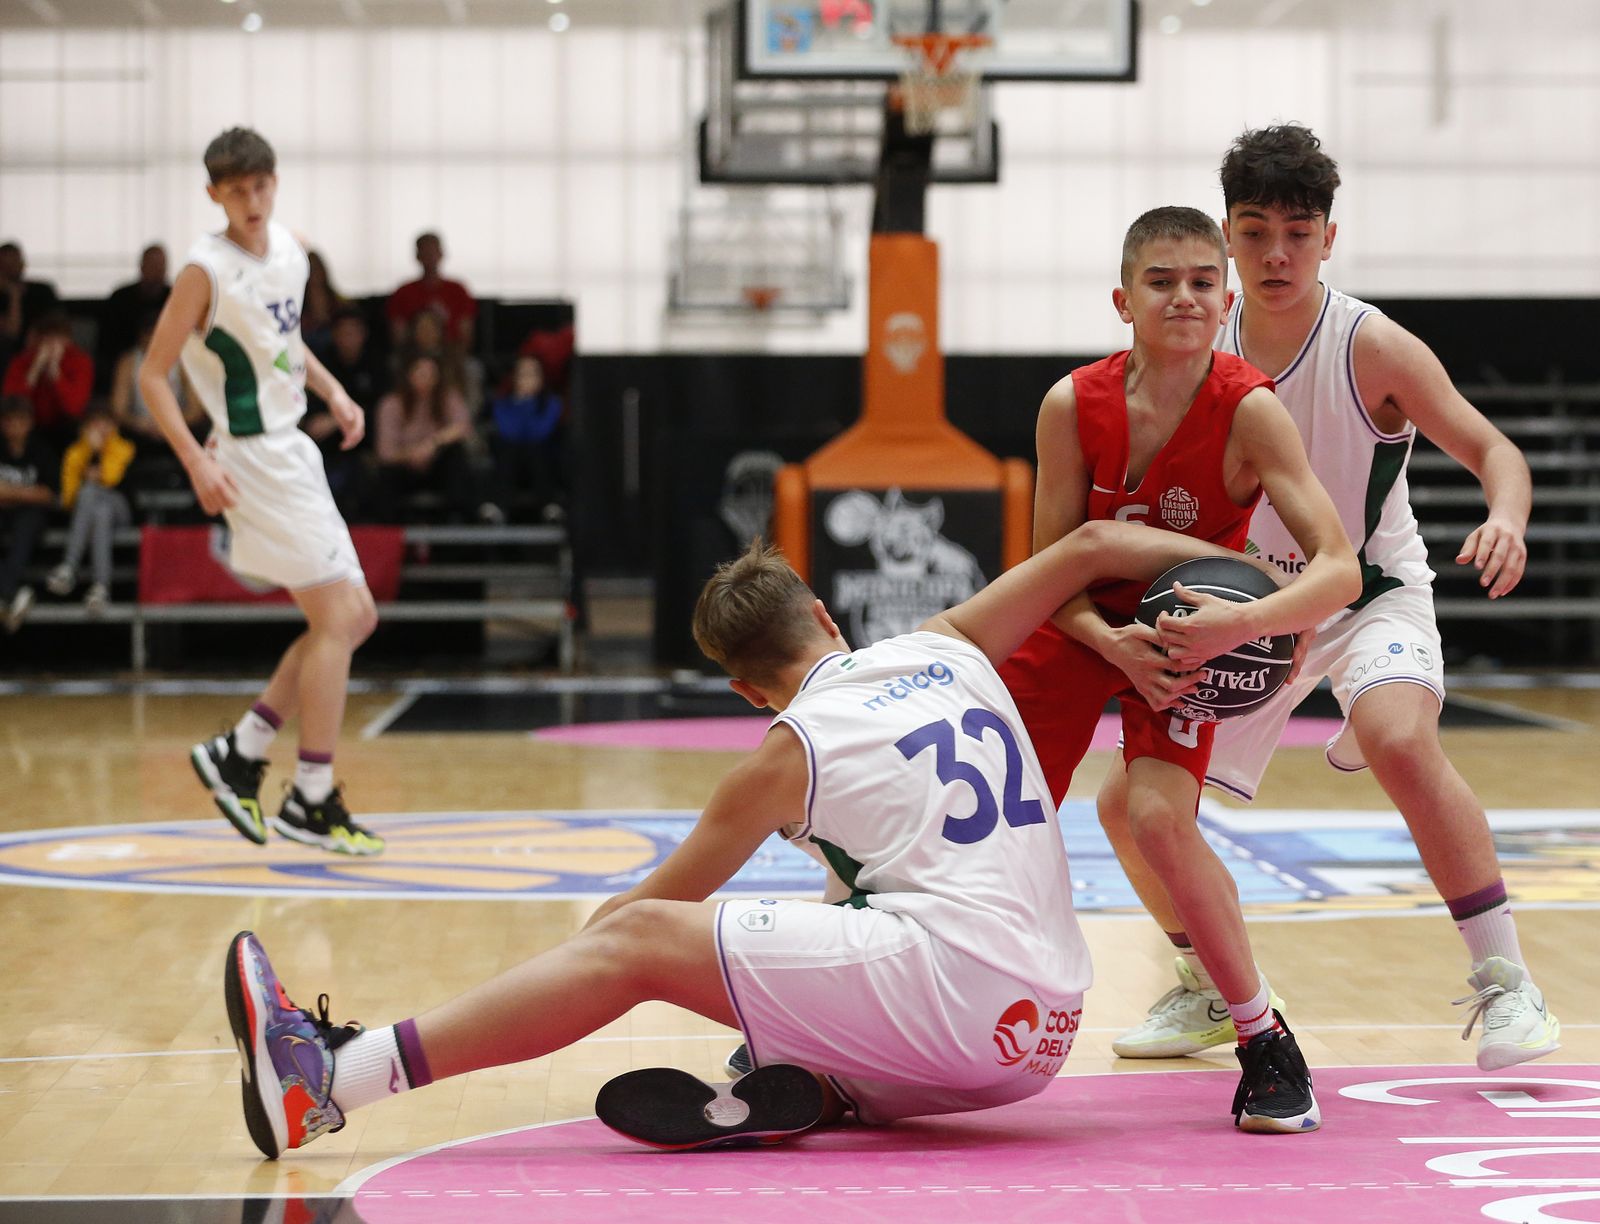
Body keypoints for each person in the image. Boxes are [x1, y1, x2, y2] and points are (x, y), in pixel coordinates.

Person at [225, 516, 1284, 1162]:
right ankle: (818, 1080)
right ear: (827, 614)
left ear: (742, 688)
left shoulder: (787, 752)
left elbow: (633, 925)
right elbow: (1096, 546)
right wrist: (1251, 585)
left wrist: (582, 969)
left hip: (954, 1005)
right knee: (848, 905)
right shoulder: (952, 643)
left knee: (640, 944)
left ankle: (335, 1079)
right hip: (1041, 1030)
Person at [1102, 125, 1558, 1073]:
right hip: (1242, 612)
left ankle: (1509, 982)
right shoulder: (1191, 343)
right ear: (1225, 234)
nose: (1276, 253)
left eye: (1298, 232)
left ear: (1328, 239)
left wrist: (1506, 516)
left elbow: (1493, 451)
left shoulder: (1373, 343)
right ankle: (1205, 984)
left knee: (1398, 738)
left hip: (1364, 594)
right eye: (1256, 229)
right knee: (1127, 810)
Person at [998, 205, 1361, 1133]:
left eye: (1203, 282)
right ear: (1124, 300)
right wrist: (1106, 640)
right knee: (990, 811)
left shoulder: (1250, 409)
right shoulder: (1071, 403)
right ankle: (876, 988)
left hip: (1193, 640)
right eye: (1162, 282)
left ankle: (1263, 1036)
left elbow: (1338, 569)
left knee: (1157, 816)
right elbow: (1051, 568)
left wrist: (1243, 624)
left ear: (1226, 298)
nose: (1185, 298)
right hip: (1082, 624)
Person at [138, 126, 384, 858]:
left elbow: (282, 341)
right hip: (247, 455)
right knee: (342, 615)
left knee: (348, 617)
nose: (252, 201)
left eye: (262, 186)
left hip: (292, 448)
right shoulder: (202, 271)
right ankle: (308, 795)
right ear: (214, 194)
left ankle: (242, 752)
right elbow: (154, 375)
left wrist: (333, 389)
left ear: (276, 183)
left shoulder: (290, 249)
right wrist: (194, 460)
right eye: (236, 190)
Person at [44, 402, 135, 616]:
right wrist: (87, 455)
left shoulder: (124, 448)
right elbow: (68, 498)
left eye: (106, 423)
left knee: (90, 493)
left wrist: (96, 453)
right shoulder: (75, 453)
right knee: (98, 511)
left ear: (115, 426)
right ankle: (101, 587)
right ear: (85, 428)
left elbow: (111, 478)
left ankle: (69, 566)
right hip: (96, 514)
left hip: (121, 510)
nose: (101, 429)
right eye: (95, 424)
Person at [373, 350, 478, 522]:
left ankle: (458, 525)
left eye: (431, 374)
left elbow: (464, 427)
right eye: (420, 373)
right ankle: (387, 531)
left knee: (456, 455)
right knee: (385, 476)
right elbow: (385, 453)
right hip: (404, 469)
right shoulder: (391, 404)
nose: (426, 379)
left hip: (438, 469)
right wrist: (412, 454)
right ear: (408, 375)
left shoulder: (447, 398)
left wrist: (433, 443)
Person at [0, 396, 58, 635]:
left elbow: (50, 495)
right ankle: (13, 594)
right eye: (10, 420)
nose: (15, 426)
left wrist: (10, 492)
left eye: (20, 420)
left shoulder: (41, 450)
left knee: (27, 526)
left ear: (30, 423)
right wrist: (27, 493)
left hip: (31, 515)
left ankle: (6, 595)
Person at [485, 353, 565, 522]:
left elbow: (540, 432)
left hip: (541, 463)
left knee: (537, 449)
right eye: (523, 374)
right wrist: (521, 401)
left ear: (542, 378)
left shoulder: (552, 403)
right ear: (514, 378)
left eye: (533, 374)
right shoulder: (501, 404)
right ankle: (499, 507)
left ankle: (549, 505)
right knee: (508, 450)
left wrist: (529, 402)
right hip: (512, 464)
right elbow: (510, 432)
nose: (528, 379)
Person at [2, 311, 93, 450]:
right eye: (47, 337)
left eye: (58, 337)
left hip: (64, 428)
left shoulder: (80, 361)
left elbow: (73, 409)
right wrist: (35, 370)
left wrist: (55, 373)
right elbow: (12, 403)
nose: (52, 343)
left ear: (68, 339)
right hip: (29, 428)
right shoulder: (22, 361)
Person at [386, 231, 476, 351]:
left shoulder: (458, 290)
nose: (430, 257)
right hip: (413, 356)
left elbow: (466, 336)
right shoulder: (403, 293)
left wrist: (451, 361)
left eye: (433, 252)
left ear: (441, 254)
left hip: (450, 355)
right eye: (425, 252)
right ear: (417, 256)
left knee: (473, 368)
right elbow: (399, 337)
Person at [99, 244, 170, 388]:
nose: (156, 271)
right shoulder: (120, 299)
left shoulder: (175, 298)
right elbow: (106, 344)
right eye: (152, 265)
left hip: (169, 360)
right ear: (141, 266)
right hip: (127, 363)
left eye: (160, 266)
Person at [0, 241, 61, 373]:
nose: (10, 270)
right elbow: (11, 331)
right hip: (11, 352)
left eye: (14, 263)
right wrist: (14, 297)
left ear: (22, 264)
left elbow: (58, 325)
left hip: (44, 343)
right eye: (5, 266)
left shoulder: (42, 291)